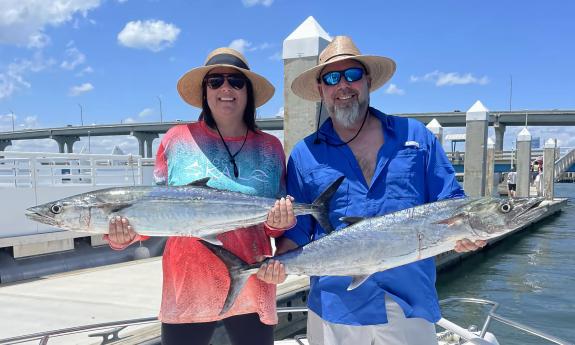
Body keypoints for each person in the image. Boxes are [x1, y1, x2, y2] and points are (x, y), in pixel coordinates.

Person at [257, 36, 485, 345]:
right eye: (332, 78)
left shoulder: (415, 137)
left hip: (409, 303)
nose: (343, 86)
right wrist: (277, 263)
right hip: (336, 308)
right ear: (321, 90)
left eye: (352, 75)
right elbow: (299, 232)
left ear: (368, 81)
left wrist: (466, 234)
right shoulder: (304, 155)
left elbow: (451, 205)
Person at [105, 47, 295, 345]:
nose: (226, 88)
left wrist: (280, 224)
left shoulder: (270, 147)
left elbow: (272, 226)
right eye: (215, 81)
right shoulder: (176, 140)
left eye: (236, 81)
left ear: (249, 92)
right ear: (205, 92)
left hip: (251, 280)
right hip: (187, 287)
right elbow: (156, 212)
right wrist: (123, 237)